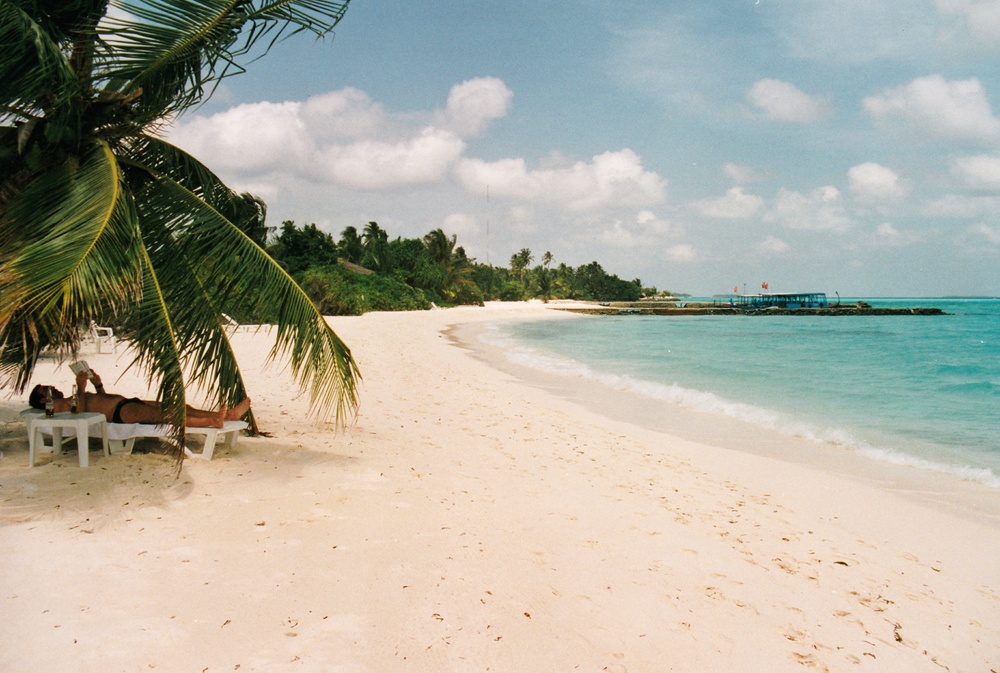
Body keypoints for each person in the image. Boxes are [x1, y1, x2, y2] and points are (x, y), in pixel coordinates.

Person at [28, 368, 251, 429]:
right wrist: (80, 387)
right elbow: (73, 412)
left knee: (179, 406)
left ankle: (226, 415)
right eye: (46, 389)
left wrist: (97, 384)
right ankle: (212, 422)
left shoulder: (69, 398)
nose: (52, 387)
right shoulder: (55, 406)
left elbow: (99, 399)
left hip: (125, 403)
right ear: (41, 400)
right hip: (121, 413)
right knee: (168, 416)